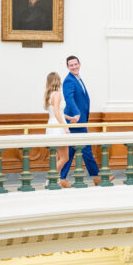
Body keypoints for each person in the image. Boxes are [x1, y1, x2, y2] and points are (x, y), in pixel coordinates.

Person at [59, 55, 102, 187]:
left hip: (79, 120)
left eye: (75, 64)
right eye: (71, 65)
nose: (74, 67)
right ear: (67, 67)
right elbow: (69, 99)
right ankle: (97, 177)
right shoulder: (69, 80)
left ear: (79, 64)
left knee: (71, 150)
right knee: (86, 148)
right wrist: (77, 113)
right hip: (75, 121)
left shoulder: (78, 79)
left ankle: (61, 178)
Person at [44, 72, 70, 178]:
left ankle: (55, 180)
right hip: (58, 127)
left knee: (57, 157)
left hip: (51, 125)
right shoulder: (57, 94)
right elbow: (56, 113)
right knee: (64, 157)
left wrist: (70, 118)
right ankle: (51, 178)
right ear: (57, 81)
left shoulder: (49, 95)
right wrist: (65, 127)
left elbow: (58, 112)